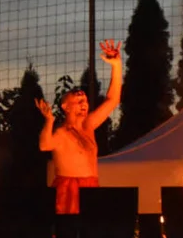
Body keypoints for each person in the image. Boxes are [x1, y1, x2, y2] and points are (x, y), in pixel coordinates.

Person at [36, 39, 123, 214]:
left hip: (90, 186)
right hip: (68, 189)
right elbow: (44, 145)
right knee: (69, 235)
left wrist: (117, 66)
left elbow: (113, 100)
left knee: (91, 234)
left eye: (84, 100)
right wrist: (49, 121)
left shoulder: (88, 125)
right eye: (78, 100)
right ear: (65, 106)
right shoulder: (62, 132)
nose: (84, 103)